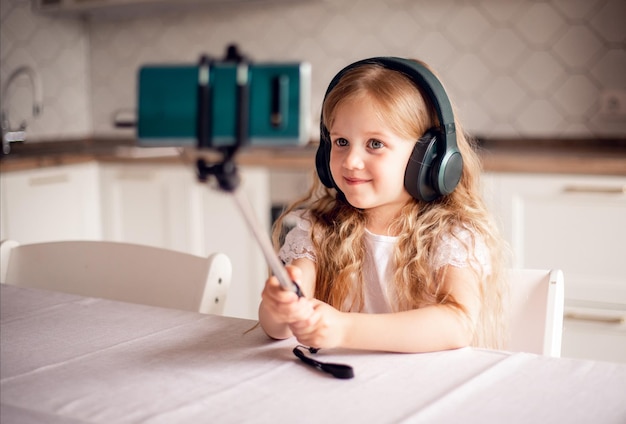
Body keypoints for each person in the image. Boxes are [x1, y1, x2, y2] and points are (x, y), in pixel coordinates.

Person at [258, 57, 508, 353]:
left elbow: (457, 324)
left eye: (375, 144)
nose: (350, 161)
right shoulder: (318, 228)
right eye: (340, 142)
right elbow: (277, 330)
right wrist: (280, 309)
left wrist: (345, 330)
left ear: (429, 157)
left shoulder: (451, 236)